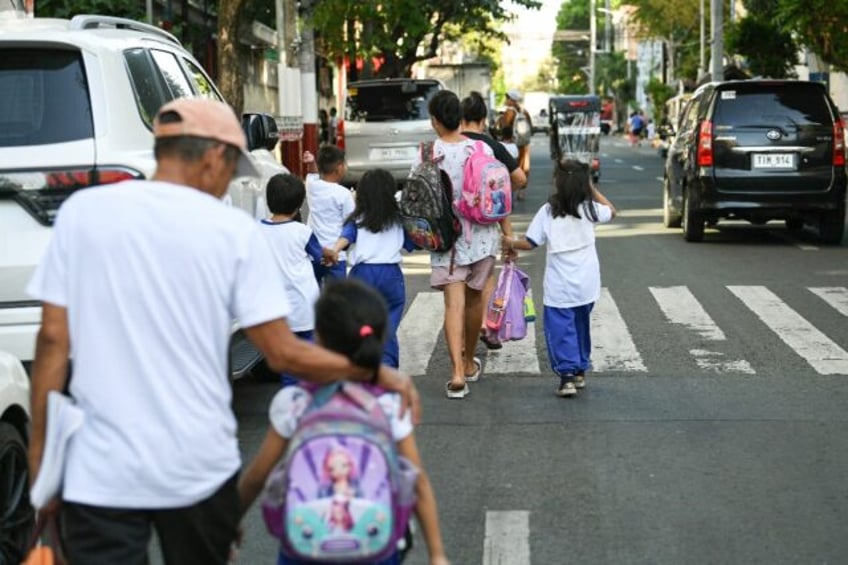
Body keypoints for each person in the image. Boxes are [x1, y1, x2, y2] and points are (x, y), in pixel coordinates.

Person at [25, 98, 418, 565]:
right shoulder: (231, 231)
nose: (228, 182)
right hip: (195, 467)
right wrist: (371, 371)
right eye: (231, 168)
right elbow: (283, 353)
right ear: (212, 156)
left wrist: (41, 468)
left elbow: (52, 344)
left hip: (100, 471)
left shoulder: (83, 213)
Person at [238, 279, 450, 565]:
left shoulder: (295, 402)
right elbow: (418, 481)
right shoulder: (388, 404)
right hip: (374, 546)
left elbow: (256, 478)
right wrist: (437, 554)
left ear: (319, 339)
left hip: (305, 548)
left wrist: (229, 523)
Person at [502, 159, 617, 398]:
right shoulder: (590, 208)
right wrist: (593, 190)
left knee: (560, 328)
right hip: (587, 283)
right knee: (580, 324)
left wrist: (510, 243)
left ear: (558, 181)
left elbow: (530, 242)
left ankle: (567, 376)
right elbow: (612, 211)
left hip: (560, 285)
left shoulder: (548, 211)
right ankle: (580, 369)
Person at [413, 90, 500, 399]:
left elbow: (417, 197)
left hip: (445, 240)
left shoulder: (426, 152)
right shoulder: (480, 148)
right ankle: (469, 360)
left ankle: (457, 374)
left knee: (453, 303)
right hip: (482, 236)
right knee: (475, 300)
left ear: (435, 120)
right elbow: (496, 192)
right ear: (460, 119)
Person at [324, 168, 418, 369]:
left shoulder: (357, 219)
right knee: (388, 326)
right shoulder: (399, 219)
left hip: (363, 275)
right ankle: (387, 366)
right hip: (391, 275)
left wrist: (333, 251)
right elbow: (413, 244)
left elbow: (346, 237)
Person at [459, 91, 523, 352]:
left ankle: (462, 344)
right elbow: (520, 179)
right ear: (484, 119)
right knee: (484, 281)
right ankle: (484, 325)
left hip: (456, 228)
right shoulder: (492, 147)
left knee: (458, 288)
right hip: (486, 227)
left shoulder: (451, 144)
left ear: (460, 118)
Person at [259, 173, 323, 387]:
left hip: (275, 310)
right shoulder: (303, 232)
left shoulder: (256, 230)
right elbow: (320, 257)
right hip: (305, 307)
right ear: (298, 205)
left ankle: (291, 406)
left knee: (288, 366)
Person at [304, 145, 355, 285]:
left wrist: (311, 162)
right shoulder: (344, 194)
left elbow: (312, 174)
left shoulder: (311, 187)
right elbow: (351, 222)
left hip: (315, 254)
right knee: (338, 298)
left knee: (314, 293)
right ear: (339, 167)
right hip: (336, 254)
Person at [503, 89, 532, 196]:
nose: (506, 100)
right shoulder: (524, 111)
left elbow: (505, 127)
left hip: (513, 142)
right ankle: (522, 190)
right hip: (524, 141)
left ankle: (510, 190)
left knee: (511, 166)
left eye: (507, 98)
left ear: (512, 100)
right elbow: (530, 126)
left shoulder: (509, 112)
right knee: (524, 165)